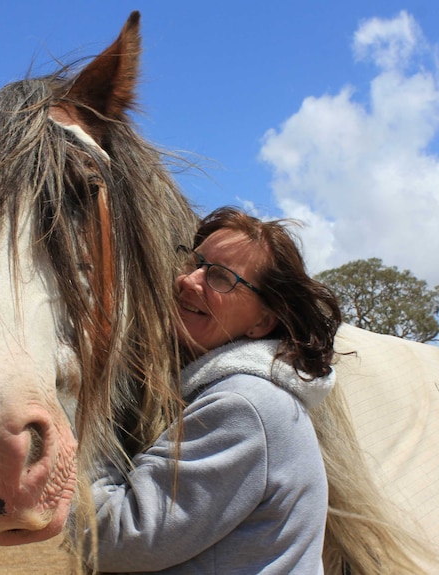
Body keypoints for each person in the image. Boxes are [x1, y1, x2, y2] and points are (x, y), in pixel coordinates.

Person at [87, 206, 342, 574]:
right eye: (195, 263)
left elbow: (120, 539)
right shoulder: (227, 393)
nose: (190, 280)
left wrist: (93, 429)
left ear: (262, 322)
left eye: (221, 278)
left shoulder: (243, 406)